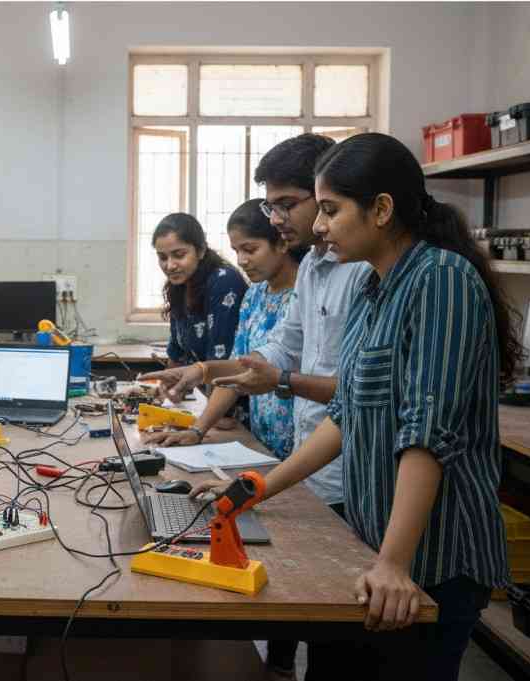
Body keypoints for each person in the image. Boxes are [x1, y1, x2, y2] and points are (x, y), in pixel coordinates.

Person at [199, 133, 520, 681]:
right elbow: (346, 415)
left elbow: (427, 432)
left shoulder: (441, 280)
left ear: (382, 210)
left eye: (330, 210)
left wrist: (394, 564)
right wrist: (252, 488)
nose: (318, 227)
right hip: (373, 548)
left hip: (432, 558)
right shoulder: (377, 288)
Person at [141, 134, 367, 680]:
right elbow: (272, 354)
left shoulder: (367, 271)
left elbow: (362, 393)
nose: (280, 219)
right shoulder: (316, 266)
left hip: (347, 468)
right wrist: (203, 371)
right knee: (315, 612)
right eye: (273, 206)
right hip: (303, 463)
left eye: (287, 205)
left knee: (343, 633)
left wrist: (276, 381)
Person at [143, 199, 304, 467]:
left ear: (282, 242)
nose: (241, 260)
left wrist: (203, 373)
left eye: (250, 249)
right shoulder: (255, 295)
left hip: (302, 441)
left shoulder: (304, 291)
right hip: (263, 439)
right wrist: (198, 430)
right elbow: (238, 367)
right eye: (236, 250)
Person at [154, 213, 248, 370]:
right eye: (163, 257)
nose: (170, 265)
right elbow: (176, 354)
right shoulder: (179, 285)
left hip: (227, 388)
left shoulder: (224, 281)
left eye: (179, 255)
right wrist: (166, 388)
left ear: (201, 251)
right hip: (200, 388)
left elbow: (220, 363)